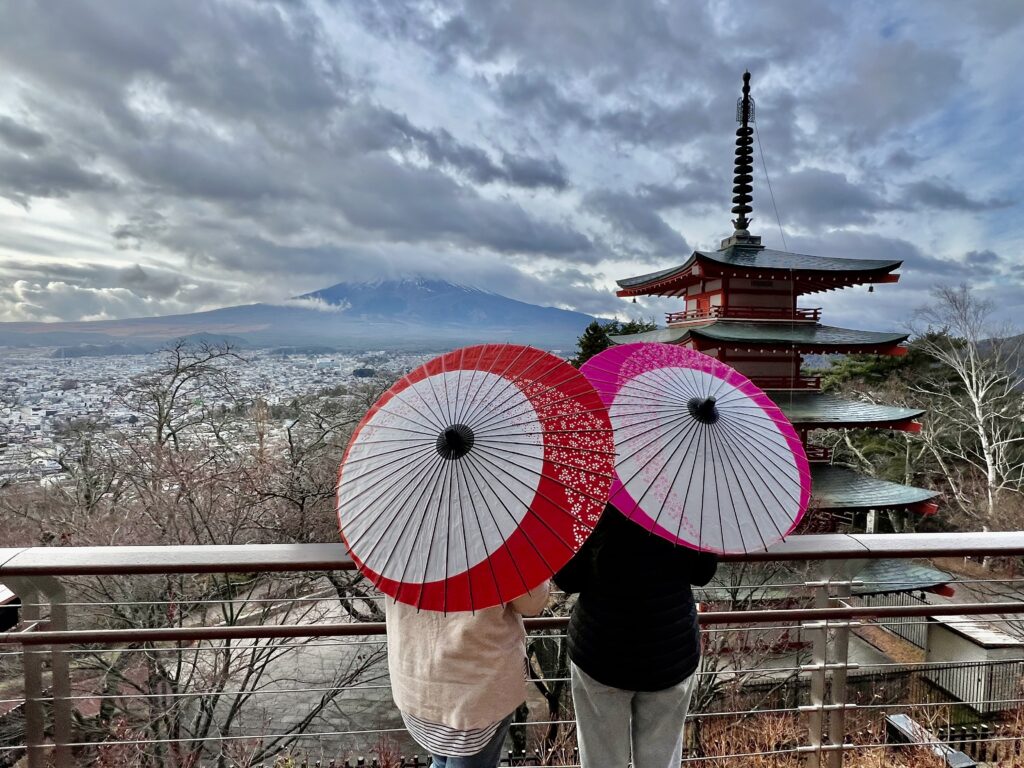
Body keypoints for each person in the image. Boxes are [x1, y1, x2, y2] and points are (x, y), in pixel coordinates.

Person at [554, 505, 718, 768]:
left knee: (601, 760)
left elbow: (568, 578)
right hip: (669, 651)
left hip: (602, 649)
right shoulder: (685, 495)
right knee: (661, 761)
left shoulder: (597, 495)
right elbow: (702, 573)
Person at [386, 581, 550, 768]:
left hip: (416, 679)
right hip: (478, 689)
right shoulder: (495, 549)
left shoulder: (397, 553)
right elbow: (532, 603)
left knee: (441, 761)